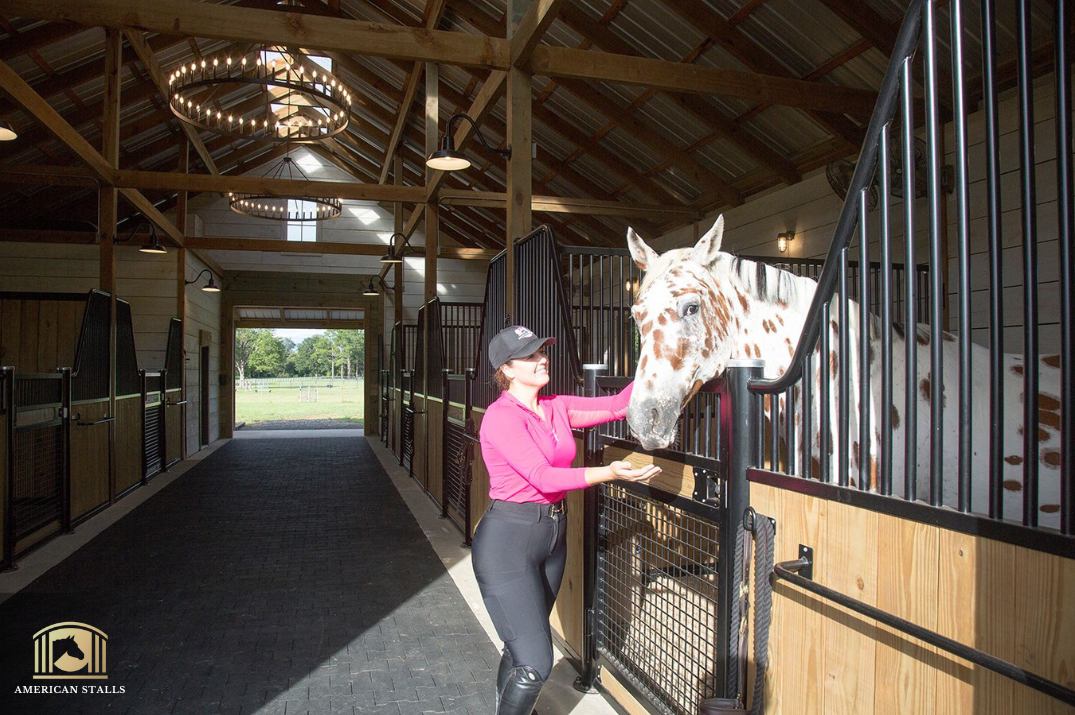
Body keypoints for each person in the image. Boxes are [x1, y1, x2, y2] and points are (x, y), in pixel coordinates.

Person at [474, 325, 661, 715]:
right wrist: (609, 473)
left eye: (543, 352)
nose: (543, 360)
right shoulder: (501, 417)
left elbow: (616, 406)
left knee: (521, 645)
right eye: (530, 356)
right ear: (506, 369)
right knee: (535, 662)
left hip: (551, 535)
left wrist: (658, 356)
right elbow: (542, 477)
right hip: (508, 541)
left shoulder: (555, 406)